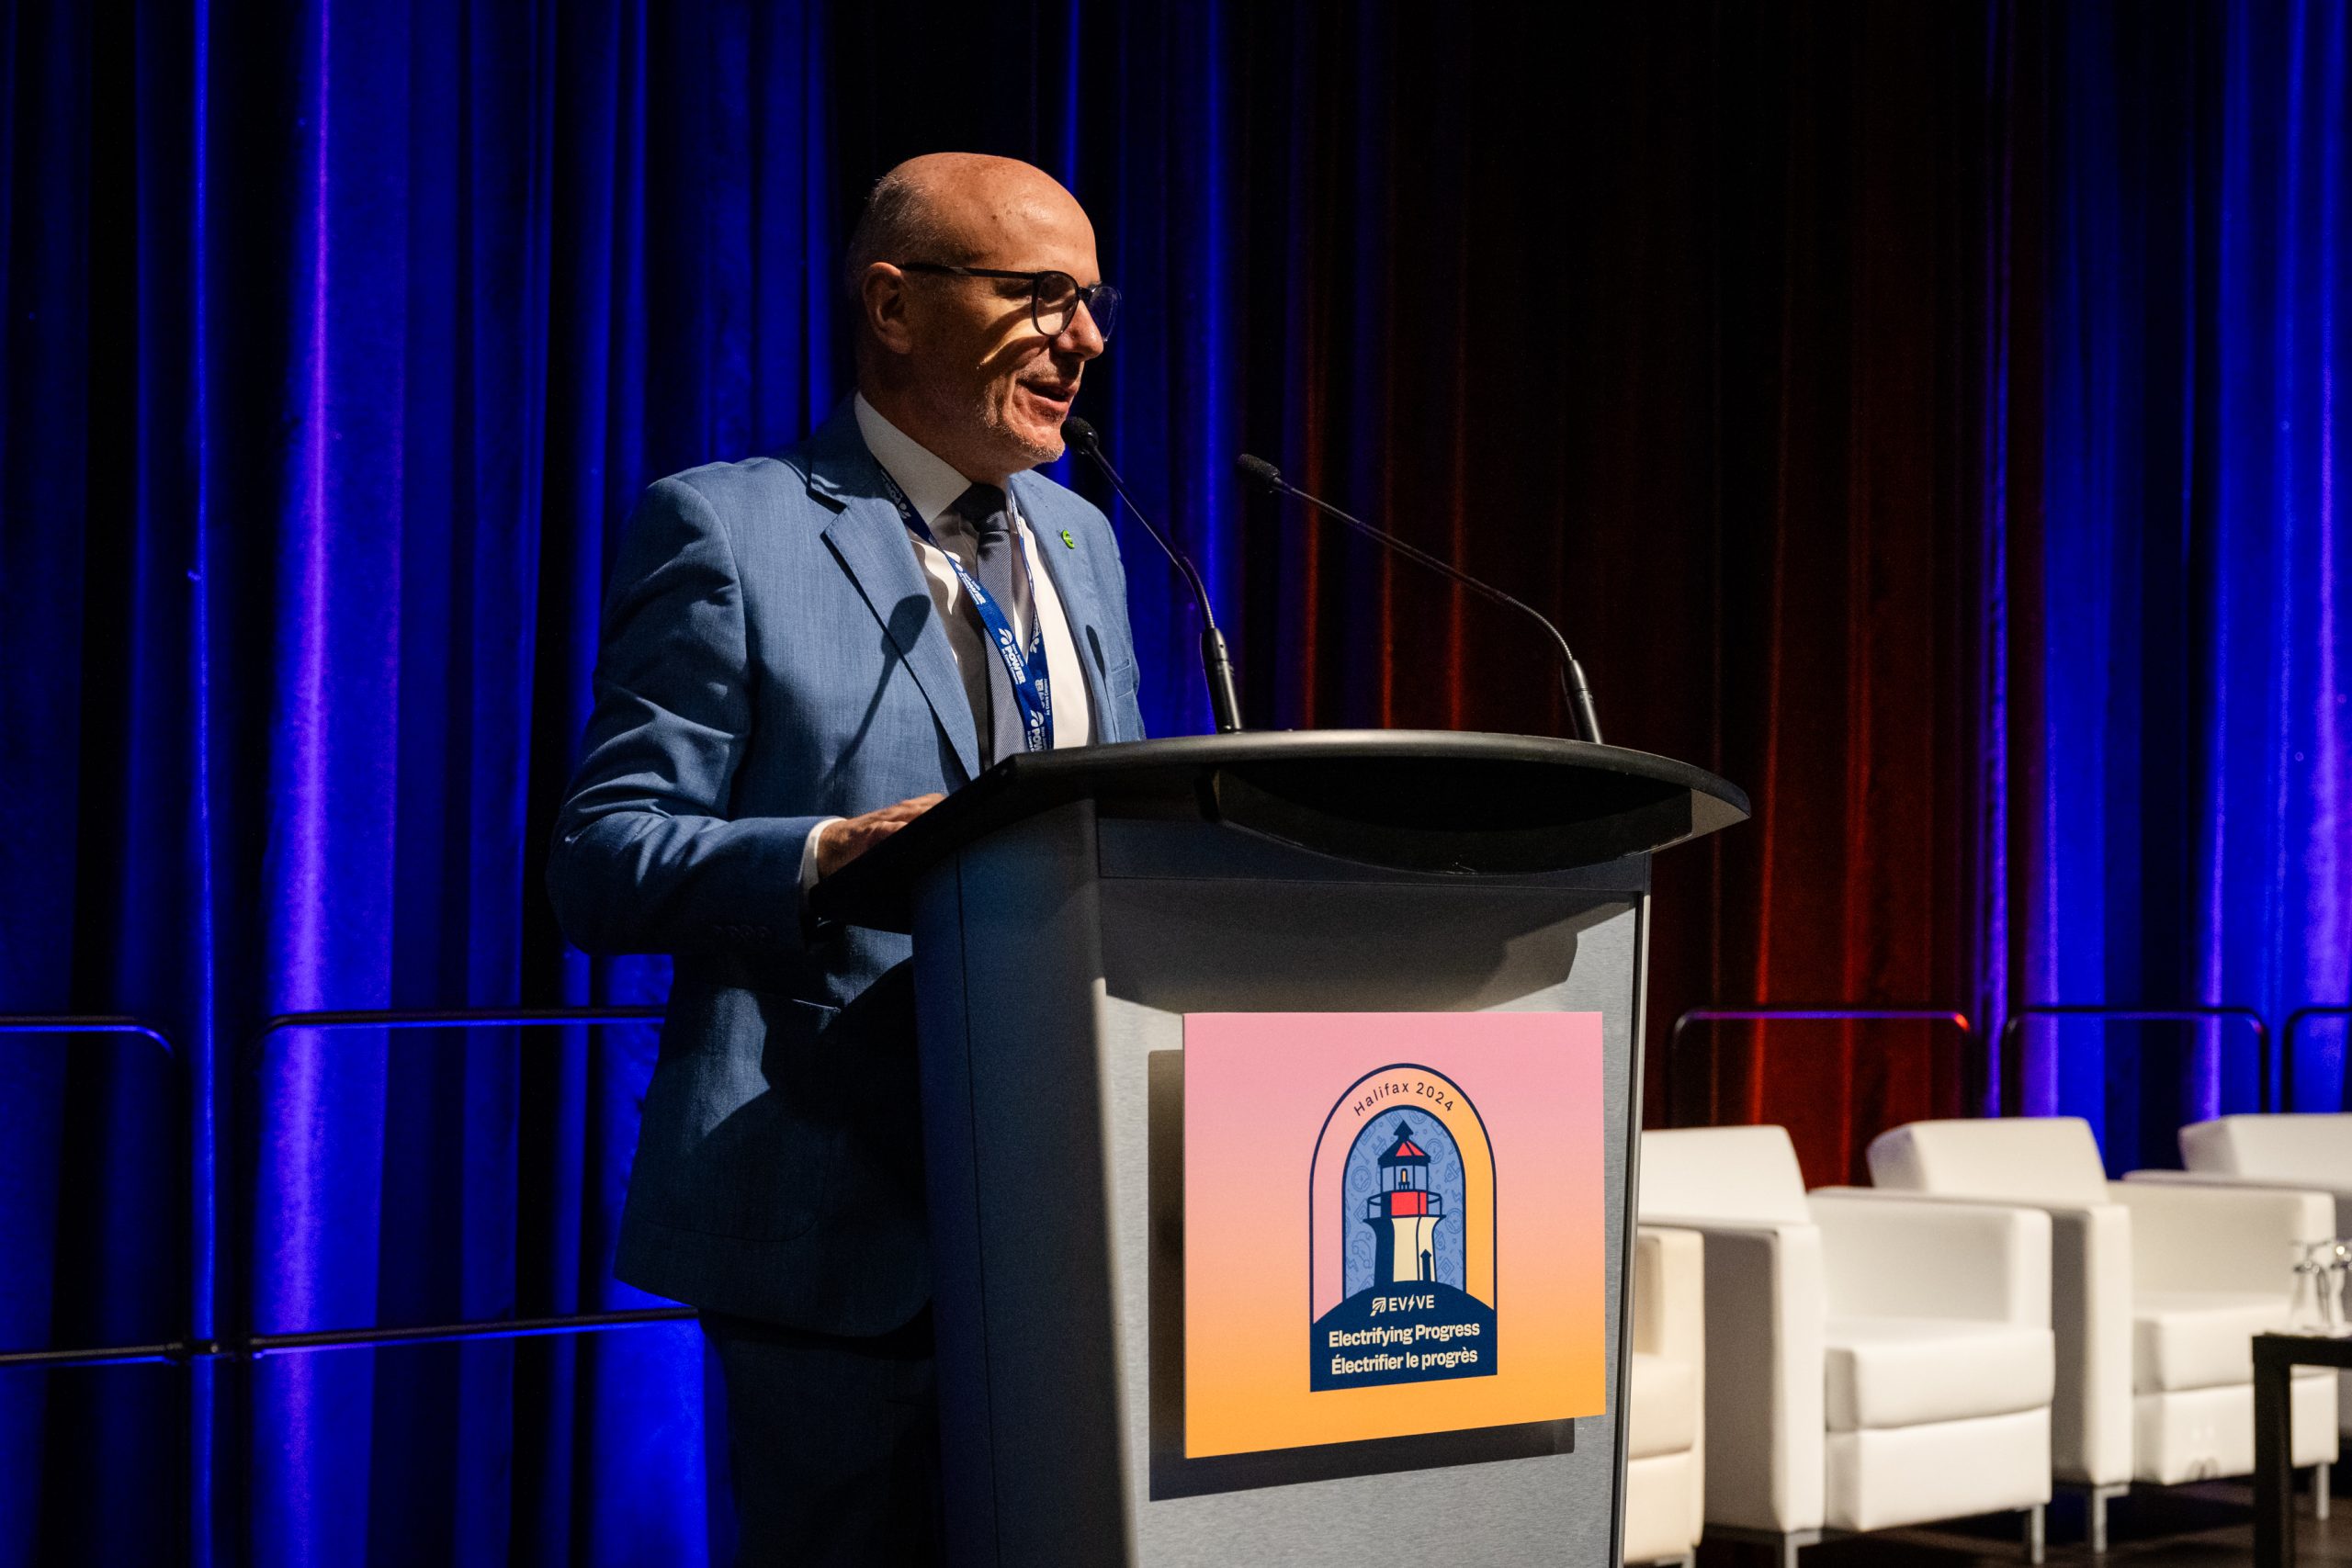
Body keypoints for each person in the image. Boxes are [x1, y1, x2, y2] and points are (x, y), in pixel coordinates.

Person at [548, 152, 1146, 1564]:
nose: (1083, 338)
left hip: (1069, 1218)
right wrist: (829, 854)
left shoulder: (1086, 541)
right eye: (1039, 294)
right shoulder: (730, 528)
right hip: (834, 1221)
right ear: (893, 305)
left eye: (1092, 301)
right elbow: (602, 856)